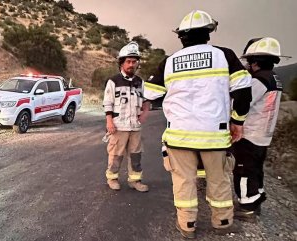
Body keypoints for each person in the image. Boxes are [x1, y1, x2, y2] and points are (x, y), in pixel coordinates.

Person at [144, 10, 252, 238]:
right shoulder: (225, 56)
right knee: (219, 180)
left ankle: (187, 226)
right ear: (208, 33)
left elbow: (151, 93)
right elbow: (243, 92)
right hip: (214, 135)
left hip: (179, 137)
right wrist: (237, 122)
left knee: (184, 183)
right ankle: (222, 223)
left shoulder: (169, 62)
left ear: (181, 37)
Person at [232, 37, 288, 222]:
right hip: (264, 135)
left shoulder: (258, 80)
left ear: (255, 61)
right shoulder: (274, 78)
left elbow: (243, 102)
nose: (247, 64)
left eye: (249, 61)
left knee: (243, 171)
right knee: (255, 169)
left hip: (250, 134)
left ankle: (247, 207)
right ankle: (256, 198)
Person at [103, 41, 150, 192]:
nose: (131, 64)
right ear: (122, 63)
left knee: (136, 155)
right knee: (116, 154)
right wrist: (109, 122)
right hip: (118, 125)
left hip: (135, 126)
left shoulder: (140, 82)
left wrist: (145, 114)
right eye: (128, 61)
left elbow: (145, 100)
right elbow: (108, 103)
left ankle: (135, 181)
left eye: (134, 61)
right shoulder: (113, 81)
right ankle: (112, 178)